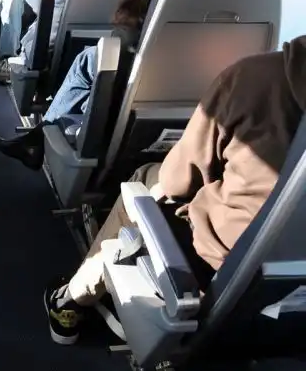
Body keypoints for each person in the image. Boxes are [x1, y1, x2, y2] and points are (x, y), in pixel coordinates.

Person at [41, 34, 306, 344]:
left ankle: (71, 300)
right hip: (290, 283)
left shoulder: (257, 78)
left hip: (214, 262)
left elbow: (176, 181)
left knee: (146, 181)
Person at [0, 0, 202, 171]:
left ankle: (40, 136)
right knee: (91, 58)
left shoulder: (131, 35)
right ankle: (38, 138)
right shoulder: (203, 18)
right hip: (193, 123)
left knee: (92, 59)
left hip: (119, 131)